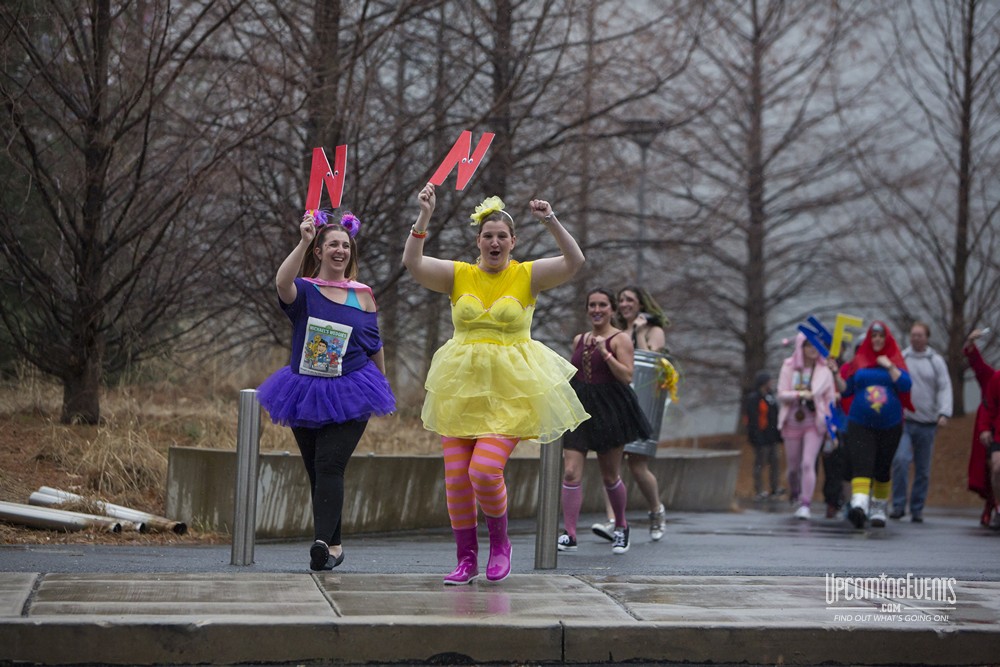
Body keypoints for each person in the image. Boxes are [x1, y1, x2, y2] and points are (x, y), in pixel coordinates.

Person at [403, 185, 589, 585]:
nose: (494, 241)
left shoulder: (527, 274)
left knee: (484, 471)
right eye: (488, 235)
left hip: (509, 388)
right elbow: (413, 264)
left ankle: (500, 544)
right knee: (456, 478)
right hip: (460, 387)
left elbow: (575, 261)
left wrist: (551, 220)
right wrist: (424, 216)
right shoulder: (459, 274)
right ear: (478, 241)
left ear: (512, 242)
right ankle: (466, 558)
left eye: (502, 236)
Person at [257, 210, 395, 571]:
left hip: (352, 388)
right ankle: (334, 547)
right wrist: (302, 239)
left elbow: (374, 344)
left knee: (330, 464)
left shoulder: (362, 294)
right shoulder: (304, 289)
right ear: (318, 251)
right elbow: (280, 283)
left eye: (345, 245)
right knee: (316, 471)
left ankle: (320, 543)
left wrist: (384, 386)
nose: (340, 250)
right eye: (332, 244)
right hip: (304, 389)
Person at [558, 288, 652, 556]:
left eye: (602, 305)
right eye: (592, 305)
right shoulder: (579, 339)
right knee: (570, 472)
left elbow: (627, 377)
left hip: (611, 409)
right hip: (580, 409)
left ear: (611, 309)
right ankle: (570, 533)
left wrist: (606, 353)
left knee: (610, 474)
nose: (597, 310)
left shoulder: (620, 339)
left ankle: (621, 526)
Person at [589, 286, 669, 543]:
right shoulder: (616, 331)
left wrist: (641, 331)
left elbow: (651, 360)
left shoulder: (653, 330)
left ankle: (656, 510)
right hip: (617, 401)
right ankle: (614, 521)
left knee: (637, 464)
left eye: (630, 299)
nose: (624, 304)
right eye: (621, 299)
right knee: (611, 464)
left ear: (641, 303)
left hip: (642, 401)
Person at [831, 321, 913, 529]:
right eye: (873, 336)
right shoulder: (859, 361)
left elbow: (905, 385)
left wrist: (889, 365)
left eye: (881, 336)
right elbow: (845, 389)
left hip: (890, 425)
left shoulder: (895, 359)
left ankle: (878, 507)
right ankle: (859, 506)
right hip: (860, 423)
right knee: (862, 463)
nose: (877, 339)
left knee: (882, 467)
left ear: (887, 339)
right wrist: (834, 373)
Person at [890, 322, 952, 522]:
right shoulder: (903, 358)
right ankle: (898, 505)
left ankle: (917, 508)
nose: (916, 338)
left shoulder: (936, 361)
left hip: (928, 423)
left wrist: (944, 412)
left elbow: (944, 387)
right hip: (905, 422)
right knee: (900, 461)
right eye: (913, 335)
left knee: (923, 469)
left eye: (920, 335)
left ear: (927, 337)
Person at [776, 334, 836, 520]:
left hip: (813, 422)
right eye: (808, 345)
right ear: (801, 347)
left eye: (815, 345)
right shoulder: (789, 366)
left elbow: (830, 400)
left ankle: (805, 504)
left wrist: (831, 426)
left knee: (808, 463)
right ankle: (794, 491)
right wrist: (800, 394)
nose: (812, 349)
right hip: (792, 421)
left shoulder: (824, 370)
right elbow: (781, 393)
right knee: (793, 467)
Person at [966, 329, 1000, 528]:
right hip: (993, 435)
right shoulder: (993, 378)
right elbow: (977, 364)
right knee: (994, 471)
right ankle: (994, 508)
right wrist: (971, 343)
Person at [743, 371, 783, 501]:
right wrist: (756, 436)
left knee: (775, 462)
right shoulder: (754, 398)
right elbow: (752, 419)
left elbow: (775, 415)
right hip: (760, 436)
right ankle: (759, 490)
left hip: (772, 436)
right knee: (760, 463)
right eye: (769, 381)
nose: (771, 383)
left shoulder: (770, 397)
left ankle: (774, 487)